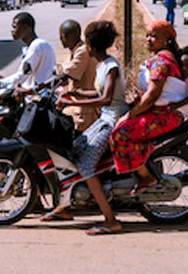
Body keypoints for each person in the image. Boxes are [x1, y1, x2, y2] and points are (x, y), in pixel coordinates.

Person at [43, 20, 127, 235]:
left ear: (89, 46)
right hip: (103, 120)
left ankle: (110, 219)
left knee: (86, 166)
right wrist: (75, 94)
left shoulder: (111, 66)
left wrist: (74, 102)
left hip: (112, 121)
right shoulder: (102, 65)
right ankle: (66, 204)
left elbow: (106, 99)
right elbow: (98, 93)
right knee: (74, 149)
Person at [110, 20, 187, 194]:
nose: (148, 39)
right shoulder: (160, 57)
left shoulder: (162, 61)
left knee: (120, 133)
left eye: (153, 36)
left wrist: (129, 115)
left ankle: (146, 177)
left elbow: (152, 96)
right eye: (147, 35)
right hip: (159, 112)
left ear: (167, 39)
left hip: (163, 115)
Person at [0, 12, 57, 92]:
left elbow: (21, 76)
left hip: (36, 95)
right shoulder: (33, 46)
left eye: (15, 27)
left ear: (26, 28)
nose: (12, 31)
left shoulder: (36, 46)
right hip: (33, 91)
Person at [58, 19, 99, 131]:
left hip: (83, 109)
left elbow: (67, 74)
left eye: (63, 36)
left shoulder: (82, 52)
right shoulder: (76, 51)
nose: (61, 39)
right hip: (76, 103)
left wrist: (45, 83)